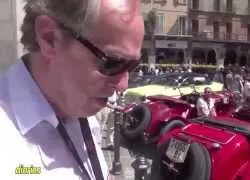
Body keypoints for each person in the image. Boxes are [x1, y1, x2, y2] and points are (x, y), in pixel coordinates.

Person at [0, 0, 144, 179]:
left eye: (133, 65)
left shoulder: (77, 107)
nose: (123, 85)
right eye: (113, 63)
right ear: (49, 38)